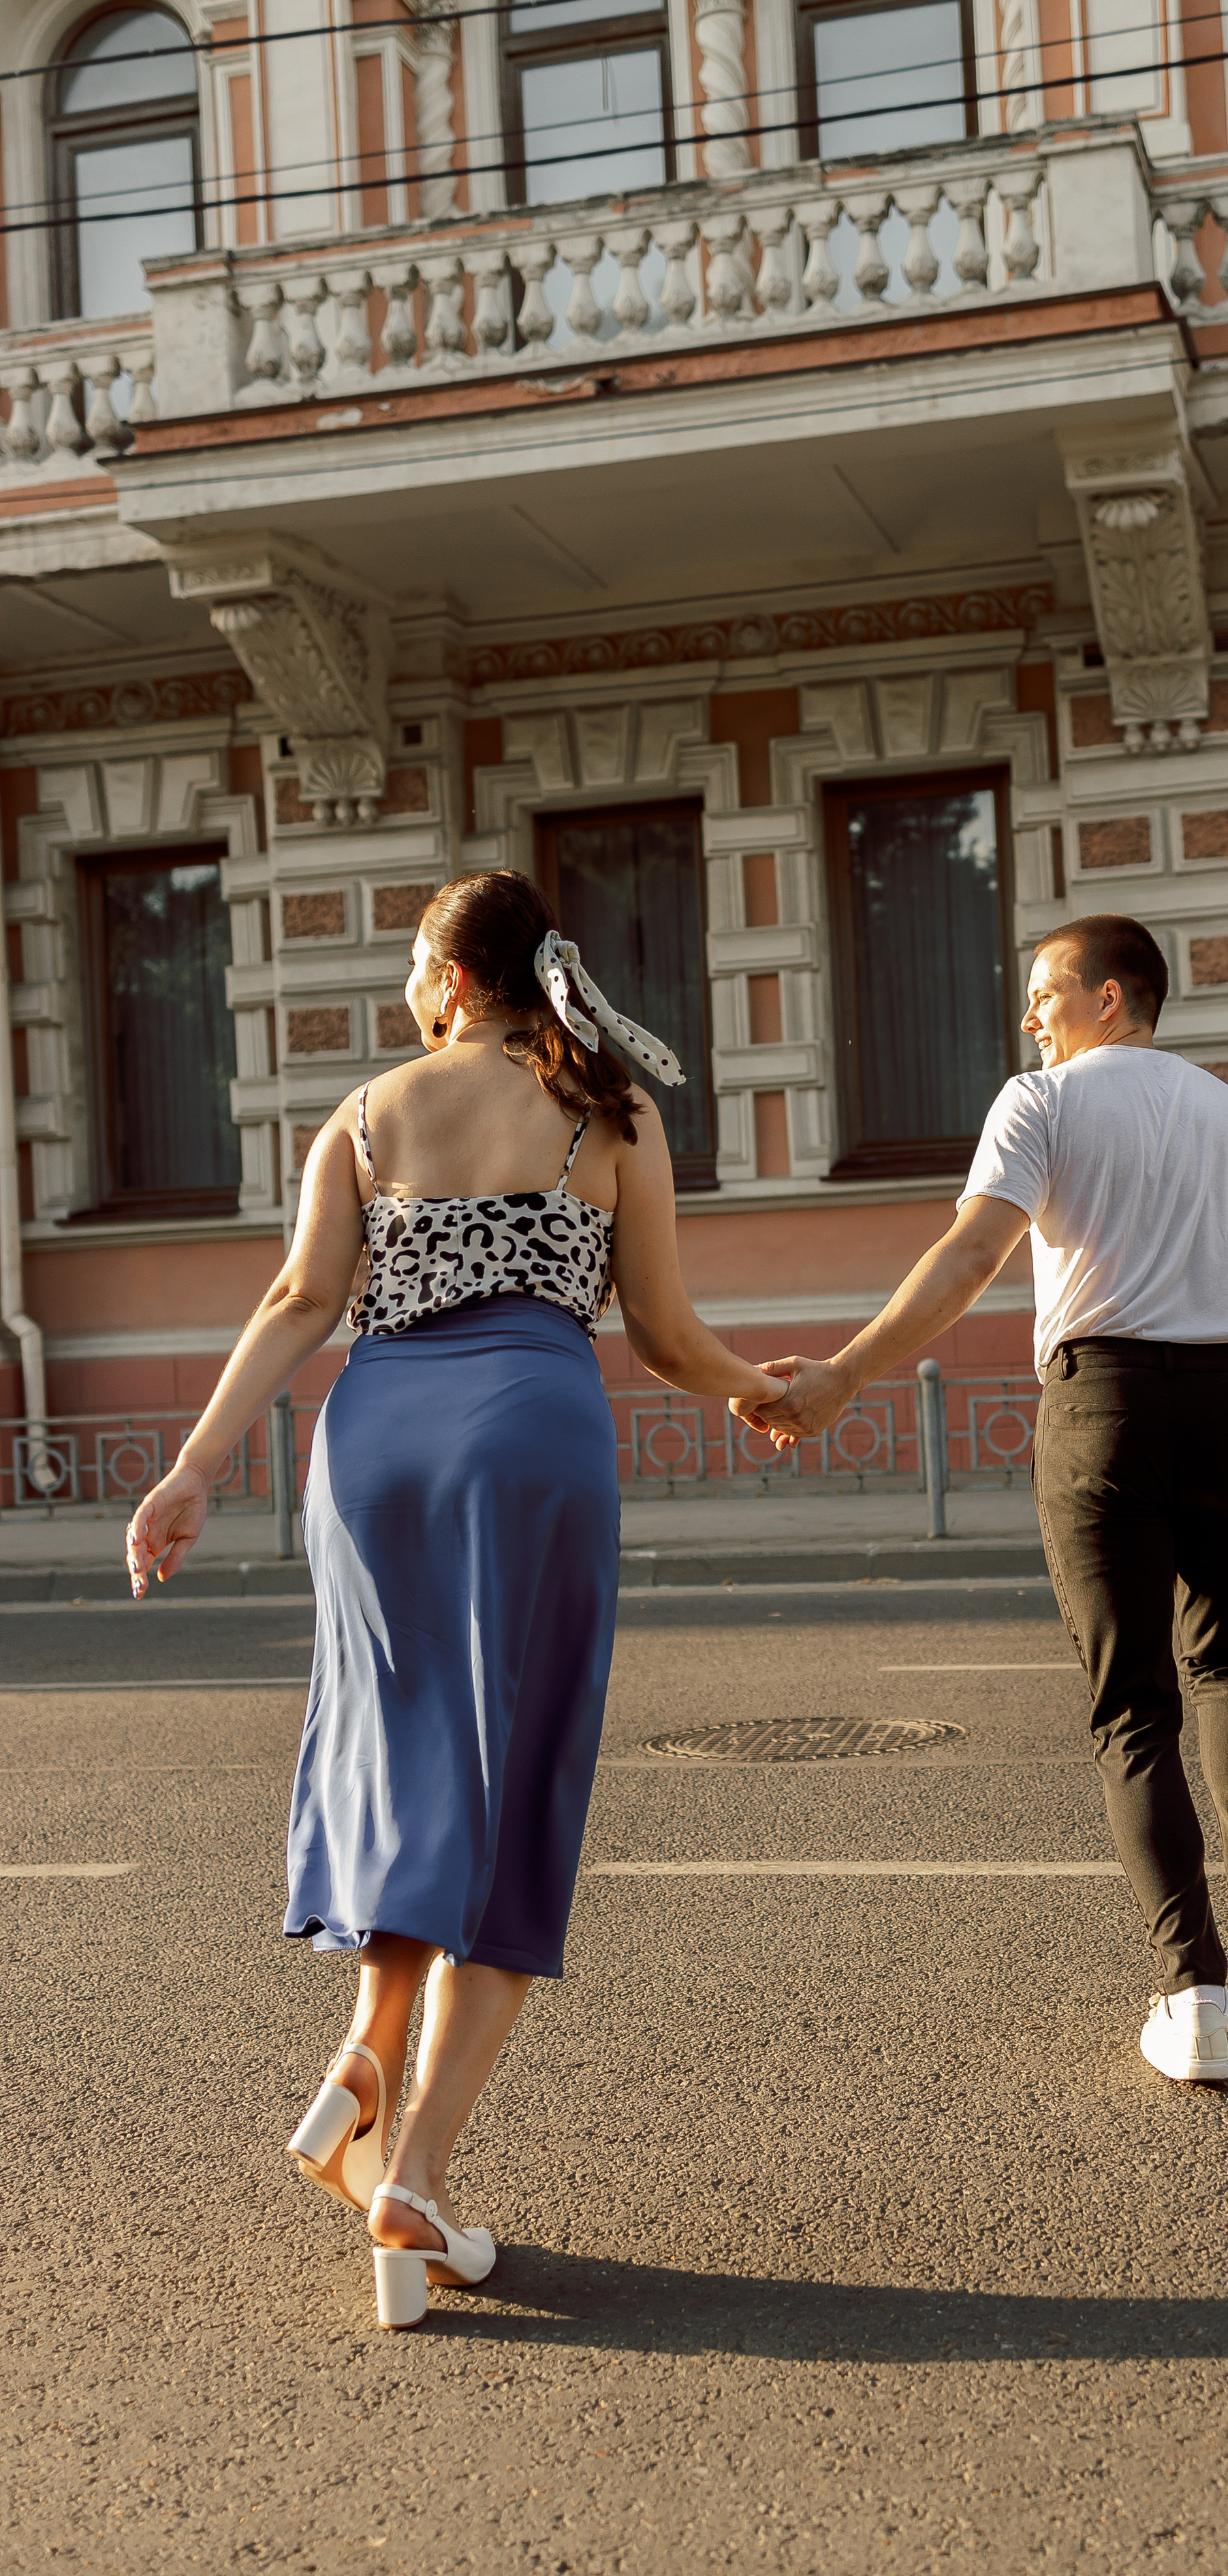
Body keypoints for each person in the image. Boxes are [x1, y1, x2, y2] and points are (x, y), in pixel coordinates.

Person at [126, 870, 788, 2325]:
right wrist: (760, 1391)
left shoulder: (365, 1117)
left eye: (409, 968)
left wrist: (185, 1473)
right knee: (514, 1785)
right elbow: (667, 1337)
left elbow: (297, 1304)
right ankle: (414, 2165)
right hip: (528, 1440)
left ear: (445, 977)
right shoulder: (609, 1115)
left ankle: (366, 2050)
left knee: (410, 1766)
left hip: (369, 1450)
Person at [736, 914, 1228, 2087]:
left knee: (1130, 1707)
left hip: (1104, 1403)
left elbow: (971, 1255)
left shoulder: (1040, 1104)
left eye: (1045, 995)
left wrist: (845, 1376)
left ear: (1113, 999)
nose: (1029, 1019)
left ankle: (1192, 1993)